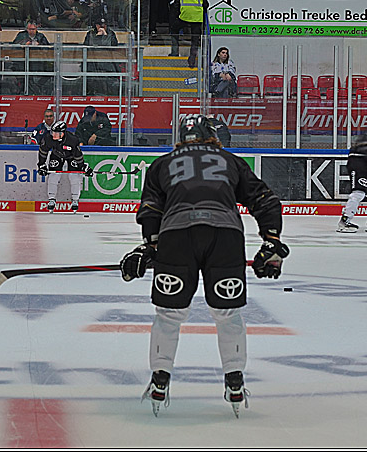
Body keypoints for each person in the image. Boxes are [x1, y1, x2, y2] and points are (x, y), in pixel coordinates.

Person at [119, 115, 287, 417]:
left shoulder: (163, 163)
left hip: (176, 235)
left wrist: (150, 247)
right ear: (212, 135)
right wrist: (271, 241)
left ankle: (160, 377)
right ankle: (234, 379)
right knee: (228, 314)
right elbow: (264, 200)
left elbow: (151, 208)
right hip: (225, 236)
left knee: (169, 314)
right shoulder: (229, 160)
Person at [37, 120, 93, 213]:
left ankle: (75, 199)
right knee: (53, 175)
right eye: (52, 132)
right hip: (56, 155)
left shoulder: (72, 140)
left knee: (74, 176)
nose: (53, 135)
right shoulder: (48, 138)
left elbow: (78, 155)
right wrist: (41, 165)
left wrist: (82, 167)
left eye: (55, 133)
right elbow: (43, 151)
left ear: (62, 133)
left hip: (71, 157)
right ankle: (51, 199)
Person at [171, 0, 206, 67]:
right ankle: (192, 60)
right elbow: (205, 5)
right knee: (195, 39)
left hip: (184, 16)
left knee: (174, 29)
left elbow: (176, 4)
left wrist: (176, 15)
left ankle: (175, 52)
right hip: (197, 17)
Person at [11, 20, 51, 95]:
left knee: (50, 69)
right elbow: (13, 47)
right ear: (27, 29)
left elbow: (47, 49)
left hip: (37, 61)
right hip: (22, 61)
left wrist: (39, 45)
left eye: (33, 29)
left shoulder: (41, 36)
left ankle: (36, 87)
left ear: (36, 29)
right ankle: (27, 90)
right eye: (30, 29)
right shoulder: (21, 35)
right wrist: (23, 45)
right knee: (22, 72)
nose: (32, 31)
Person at [83, 18, 120, 96]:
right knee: (91, 80)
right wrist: (98, 36)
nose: (102, 27)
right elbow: (87, 46)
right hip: (93, 62)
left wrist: (105, 35)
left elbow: (114, 46)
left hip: (108, 62)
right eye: (99, 25)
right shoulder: (90, 33)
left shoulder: (111, 33)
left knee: (110, 80)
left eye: (104, 25)